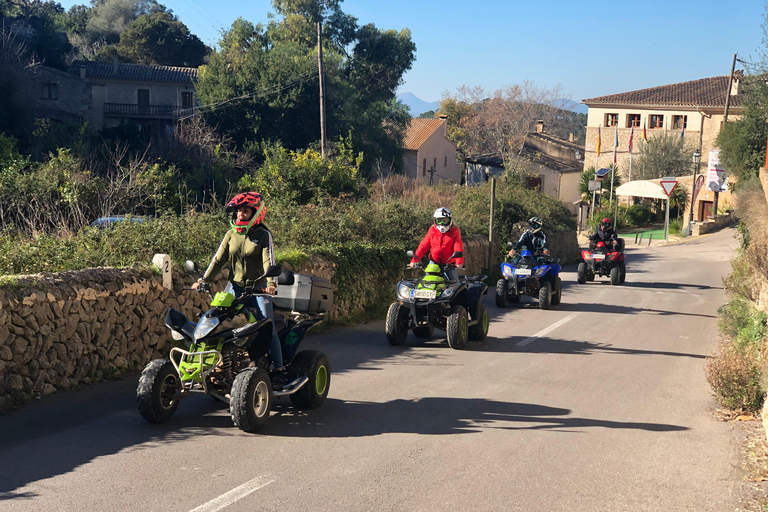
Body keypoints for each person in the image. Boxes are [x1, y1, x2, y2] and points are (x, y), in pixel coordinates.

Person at [192, 192, 286, 381]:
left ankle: (279, 369)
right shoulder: (231, 235)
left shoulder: (263, 235)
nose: (241, 215)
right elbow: (218, 260)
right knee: (218, 322)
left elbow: (268, 261)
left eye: (245, 211)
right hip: (234, 288)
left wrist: (270, 284)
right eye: (238, 212)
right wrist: (204, 280)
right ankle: (219, 365)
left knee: (268, 327)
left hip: (259, 288)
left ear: (255, 213)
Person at [410, 207, 464, 281]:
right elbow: (423, 246)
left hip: (449, 264)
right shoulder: (432, 231)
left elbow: (458, 247)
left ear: (450, 220)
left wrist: (458, 262)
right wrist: (414, 260)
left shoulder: (454, 231)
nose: (442, 223)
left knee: (455, 285)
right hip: (434, 263)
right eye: (439, 221)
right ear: (435, 221)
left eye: (444, 221)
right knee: (427, 283)